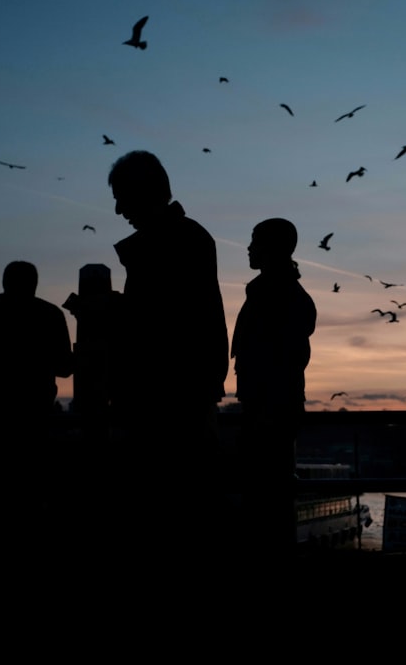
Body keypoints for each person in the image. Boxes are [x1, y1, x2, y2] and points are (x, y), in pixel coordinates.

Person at [106, 150, 230, 553]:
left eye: (122, 195)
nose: (118, 207)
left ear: (142, 193)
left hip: (165, 401)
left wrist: (111, 311)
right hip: (182, 397)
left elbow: (160, 324)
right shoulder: (187, 239)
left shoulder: (171, 243)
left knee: (166, 514)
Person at [0, 260, 74, 549]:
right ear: (34, 283)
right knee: (32, 474)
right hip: (36, 407)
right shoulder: (50, 313)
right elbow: (64, 367)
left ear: (4, 281)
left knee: (0, 473)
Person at [231, 218, 317, 557]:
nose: (249, 248)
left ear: (271, 248)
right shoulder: (283, 292)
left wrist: (264, 408)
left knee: (267, 494)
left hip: (268, 408)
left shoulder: (274, 293)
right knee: (272, 494)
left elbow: (278, 358)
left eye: (255, 241)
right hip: (271, 405)